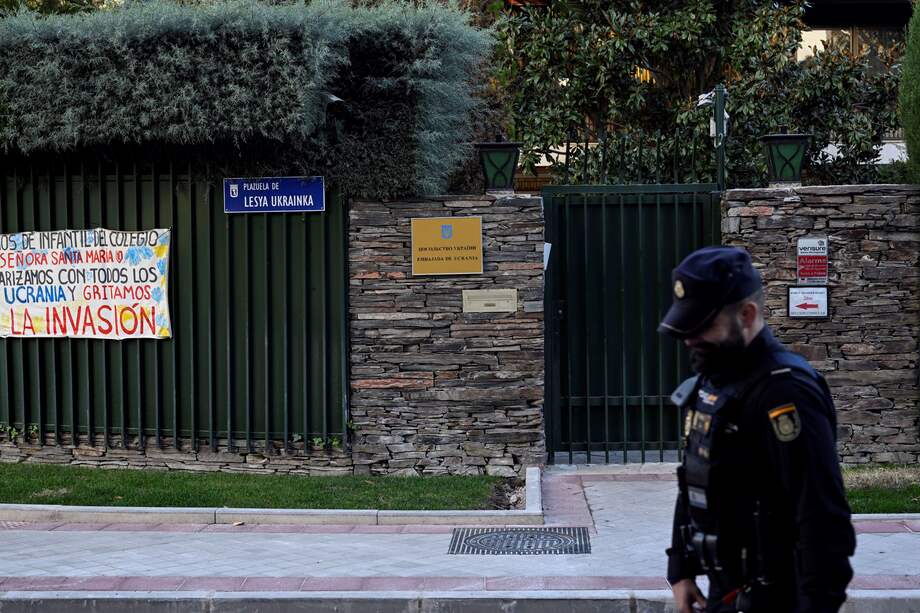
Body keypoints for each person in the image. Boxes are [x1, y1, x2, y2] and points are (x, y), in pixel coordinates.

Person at [658, 246, 855, 613]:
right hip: (725, 594)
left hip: (778, 599)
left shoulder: (786, 391)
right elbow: (694, 478)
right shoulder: (714, 380)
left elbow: (823, 520)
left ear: (747, 315)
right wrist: (680, 569)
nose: (689, 338)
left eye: (704, 326)